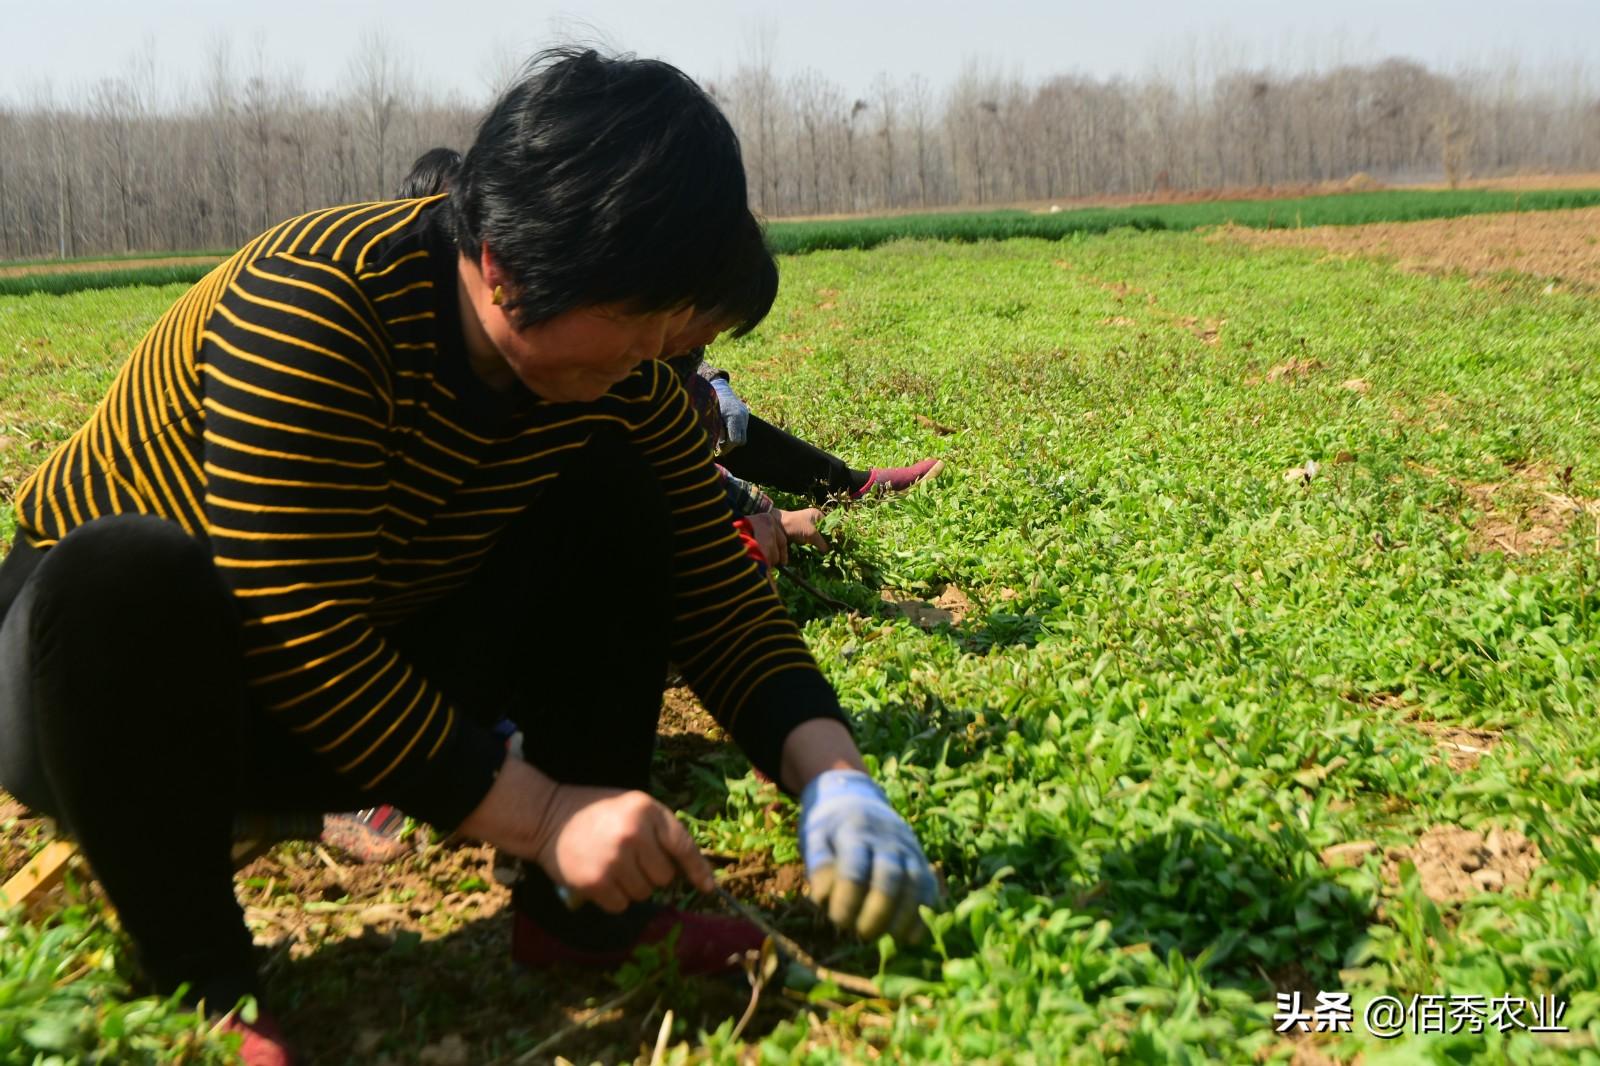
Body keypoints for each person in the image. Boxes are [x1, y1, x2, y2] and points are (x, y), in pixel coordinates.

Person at [0, 50, 936, 1066]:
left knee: (619, 494)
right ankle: (208, 990)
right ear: (505, 266)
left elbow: (711, 590)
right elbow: (299, 630)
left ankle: (581, 917)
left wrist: (833, 773)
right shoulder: (318, 306)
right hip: (112, 695)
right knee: (122, 575)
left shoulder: (616, 376)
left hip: (356, 662)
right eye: (637, 320)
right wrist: (541, 814)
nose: (658, 351)